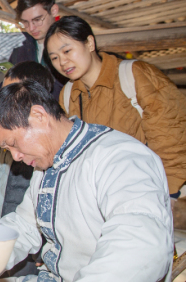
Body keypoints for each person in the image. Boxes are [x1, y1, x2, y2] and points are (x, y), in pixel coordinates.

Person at [0, 81, 173, 282]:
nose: (15, 156)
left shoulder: (120, 157)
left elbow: (140, 250)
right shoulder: (48, 162)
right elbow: (25, 225)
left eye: (13, 144)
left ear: (38, 116)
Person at [45, 16, 186, 198]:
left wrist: (168, 193)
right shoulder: (67, 95)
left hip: (149, 190)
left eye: (67, 51)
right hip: (102, 196)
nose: (62, 62)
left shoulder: (135, 75)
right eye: (55, 58)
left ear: (89, 43)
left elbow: (172, 138)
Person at [0, 62, 55, 223]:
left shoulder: (37, 155)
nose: (4, 100)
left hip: (17, 237)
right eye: (3, 91)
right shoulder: (0, 136)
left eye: (13, 93)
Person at [9, 0, 64, 97]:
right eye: (25, 22)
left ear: (53, 10)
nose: (31, 28)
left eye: (37, 19)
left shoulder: (68, 45)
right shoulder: (19, 49)